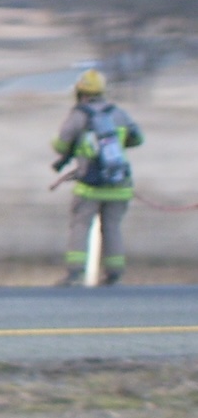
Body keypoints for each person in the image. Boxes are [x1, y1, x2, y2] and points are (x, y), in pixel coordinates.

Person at [51, 69, 143, 286]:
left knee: (80, 226)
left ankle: (74, 273)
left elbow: (60, 145)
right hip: (119, 184)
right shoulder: (118, 113)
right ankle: (114, 273)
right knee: (112, 227)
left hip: (89, 187)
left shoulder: (78, 115)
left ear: (80, 92)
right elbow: (138, 138)